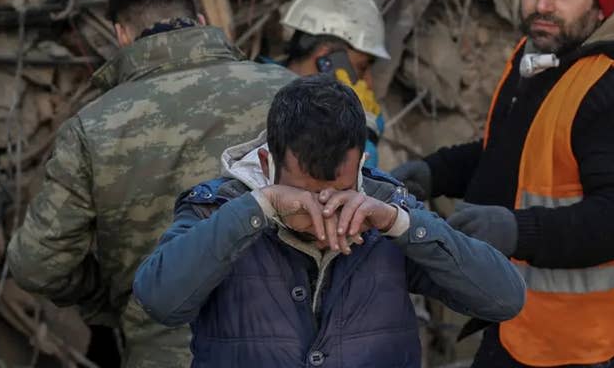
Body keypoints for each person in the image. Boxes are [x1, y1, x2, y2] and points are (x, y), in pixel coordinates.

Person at [392, 0, 614, 368]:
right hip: (520, 312)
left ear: (600, 5)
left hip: (581, 337)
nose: (543, 4)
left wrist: (516, 230)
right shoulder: (538, 55)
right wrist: (434, 172)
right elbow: (511, 153)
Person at [6, 0, 295, 367]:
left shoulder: (93, 127)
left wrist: (117, 294)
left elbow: (36, 264)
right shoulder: (290, 93)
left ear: (122, 35)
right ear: (198, 19)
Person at [132, 74, 526, 368]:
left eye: (336, 192)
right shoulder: (219, 209)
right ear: (268, 163)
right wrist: (257, 210)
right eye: (303, 193)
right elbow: (160, 300)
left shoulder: (387, 208)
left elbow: (503, 298)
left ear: (360, 166)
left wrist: (401, 225)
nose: (322, 210)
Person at [280, 0, 389, 167]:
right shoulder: (283, 111)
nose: (369, 83)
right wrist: (361, 132)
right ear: (326, 59)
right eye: (362, 67)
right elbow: (353, 182)